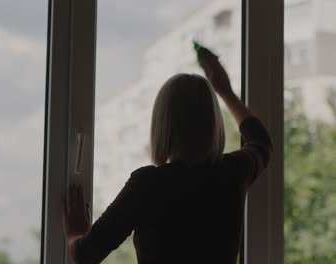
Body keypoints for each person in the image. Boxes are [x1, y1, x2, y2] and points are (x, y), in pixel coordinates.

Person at [62, 45, 273, 264]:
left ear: (162, 127)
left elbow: (85, 254)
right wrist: (225, 92)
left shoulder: (148, 185)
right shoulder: (234, 171)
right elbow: (261, 142)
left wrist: (74, 234)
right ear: (213, 123)